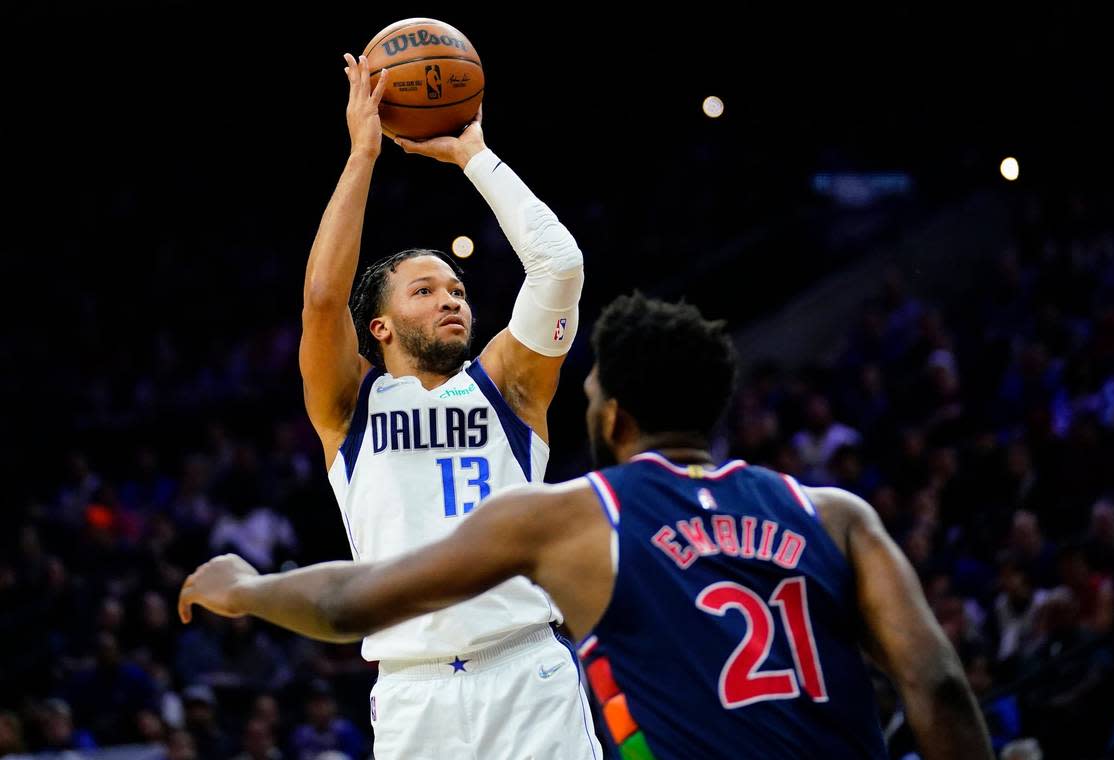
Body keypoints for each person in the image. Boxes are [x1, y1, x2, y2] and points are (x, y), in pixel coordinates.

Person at [182, 294, 992, 759]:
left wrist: (249, 588)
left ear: (614, 417)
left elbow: (349, 603)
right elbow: (941, 686)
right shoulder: (836, 515)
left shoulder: (578, 515)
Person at [295, 52, 596, 757]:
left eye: (456, 289)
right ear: (381, 327)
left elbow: (559, 268)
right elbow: (320, 300)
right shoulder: (349, 406)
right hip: (412, 690)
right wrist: (362, 154)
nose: (451, 299)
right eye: (425, 291)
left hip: (527, 670)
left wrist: (476, 156)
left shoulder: (508, 387)